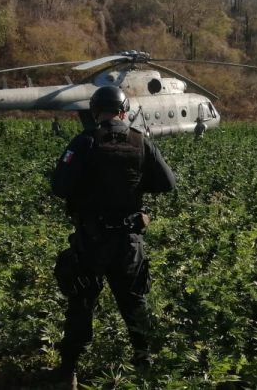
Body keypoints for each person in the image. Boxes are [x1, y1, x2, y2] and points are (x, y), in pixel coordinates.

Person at [48, 85, 176, 387]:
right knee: (134, 302)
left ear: (96, 112)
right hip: (129, 240)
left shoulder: (84, 142)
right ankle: (145, 366)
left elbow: (59, 186)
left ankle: (69, 371)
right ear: (124, 110)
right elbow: (168, 183)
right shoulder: (140, 142)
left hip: (92, 239)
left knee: (82, 302)